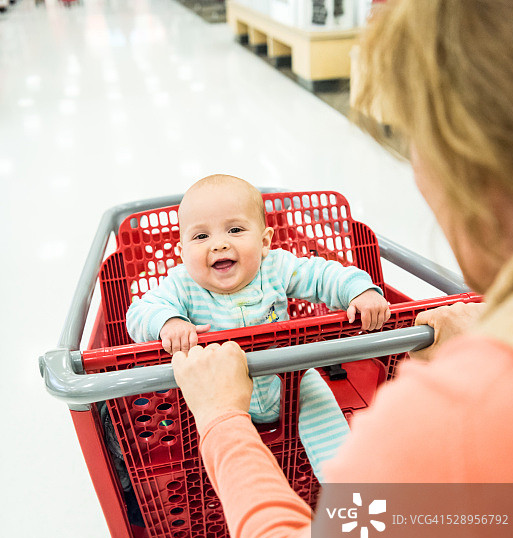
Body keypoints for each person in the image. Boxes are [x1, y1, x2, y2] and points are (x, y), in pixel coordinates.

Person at [171, 0, 513, 538]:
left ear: (468, 149)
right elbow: (510, 523)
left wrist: (223, 421)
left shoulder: (466, 424)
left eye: (414, 139)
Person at [126, 173, 390, 481]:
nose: (219, 244)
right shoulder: (182, 284)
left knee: (330, 430)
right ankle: (238, 490)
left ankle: (349, 487)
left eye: (235, 230)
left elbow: (321, 275)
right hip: (216, 394)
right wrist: (168, 322)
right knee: (215, 451)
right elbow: (139, 312)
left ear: (264, 242)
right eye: (201, 237)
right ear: (182, 252)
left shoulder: (276, 267)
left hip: (291, 382)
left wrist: (359, 291)